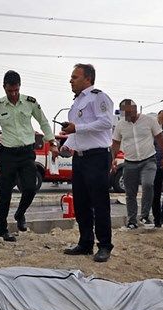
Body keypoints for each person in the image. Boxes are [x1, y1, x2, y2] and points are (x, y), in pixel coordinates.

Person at [0, 70, 58, 241]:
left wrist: (53, 143)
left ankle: (20, 213)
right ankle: (2, 229)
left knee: (30, 188)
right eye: (10, 91)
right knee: (4, 193)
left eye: (16, 90)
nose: (13, 94)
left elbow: (44, 122)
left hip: (26, 152)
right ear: (4, 88)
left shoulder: (30, 102)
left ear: (19, 87)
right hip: (8, 154)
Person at [59, 63, 115, 262]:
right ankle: (85, 243)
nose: (71, 80)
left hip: (97, 157)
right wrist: (67, 145)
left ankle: (105, 245)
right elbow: (77, 131)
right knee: (81, 202)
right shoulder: (76, 102)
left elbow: (108, 122)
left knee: (99, 203)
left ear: (88, 79)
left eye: (75, 77)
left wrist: (78, 128)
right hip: (80, 157)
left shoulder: (98, 97)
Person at [110, 99, 163, 229]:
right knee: (130, 193)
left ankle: (145, 216)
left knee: (148, 184)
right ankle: (132, 221)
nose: (128, 116)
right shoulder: (121, 125)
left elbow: (160, 138)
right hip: (130, 162)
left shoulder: (149, 120)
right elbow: (115, 143)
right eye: (125, 114)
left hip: (148, 160)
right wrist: (112, 160)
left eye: (130, 113)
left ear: (136, 110)